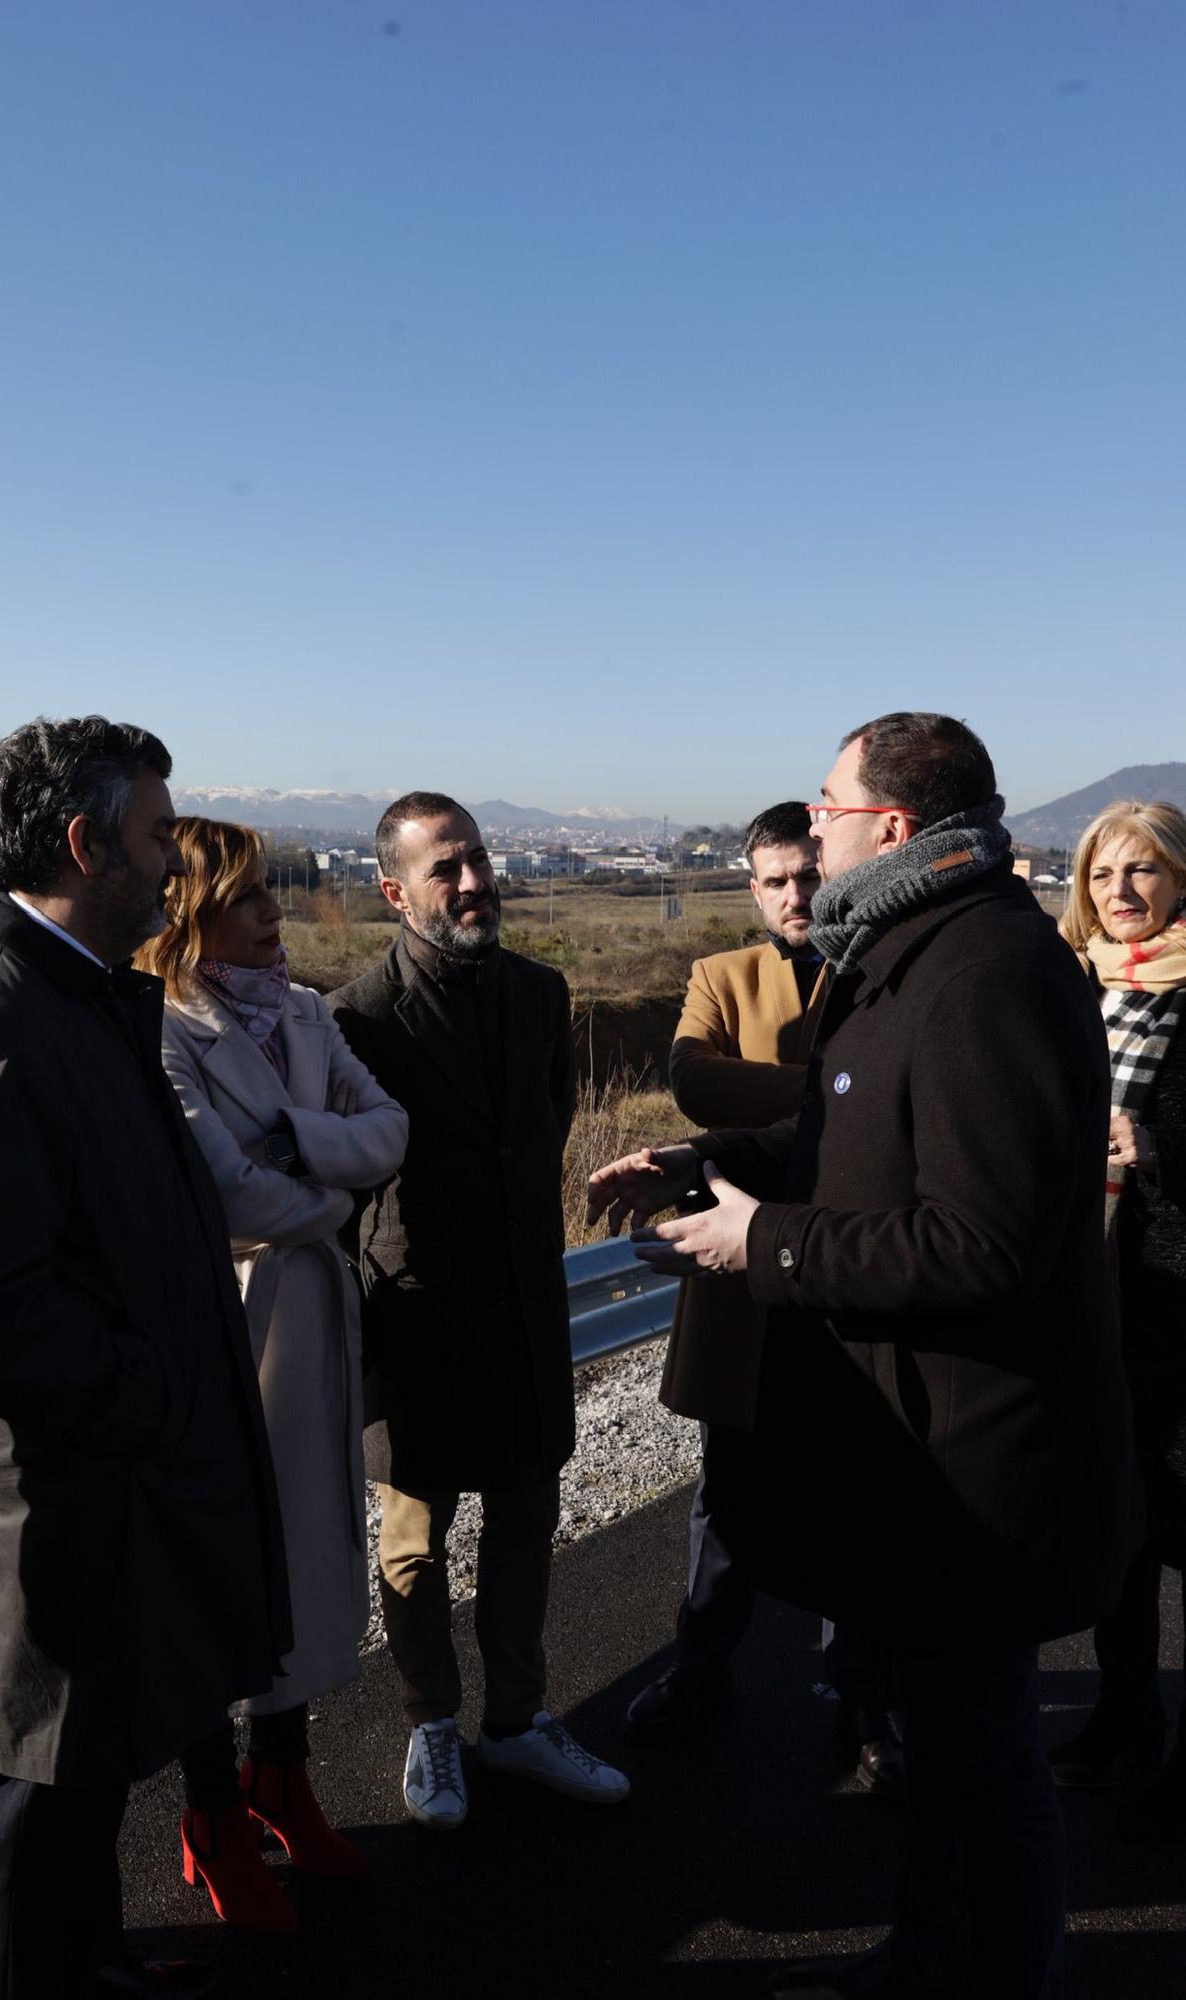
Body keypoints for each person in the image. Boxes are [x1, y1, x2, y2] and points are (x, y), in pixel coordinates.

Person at [588, 713, 1139, 2000]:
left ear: (890, 826)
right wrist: (708, 1168)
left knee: (980, 1764)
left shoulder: (982, 969)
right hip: (922, 1469)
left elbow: (982, 1242)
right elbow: (862, 1154)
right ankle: (930, 1955)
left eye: (828, 805)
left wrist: (759, 1244)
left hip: (974, 1476)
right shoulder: (904, 948)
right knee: (945, 1755)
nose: (810, 821)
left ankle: (989, 1972)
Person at [0, 718, 292, 2000]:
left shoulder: (80, 1000)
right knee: (41, 1774)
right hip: (70, 1487)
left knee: (97, 1756)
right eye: (157, 835)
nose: (177, 862)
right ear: (84, 846)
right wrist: (153, 1392)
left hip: (127, 1467)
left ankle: (93, 1961)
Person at [328, 791, 628, 1829]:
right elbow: (341, 1195)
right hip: (414, 1322)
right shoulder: (355, 1017)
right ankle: (430, 1723)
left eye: (478, 858)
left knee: (525, 1519)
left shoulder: (543, 994)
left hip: (523, 1306)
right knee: (412, 1538)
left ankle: (515, 1718)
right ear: (393, 889)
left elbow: (546, 1126)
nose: (471, 881)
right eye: (445, 867)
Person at [135, 816, 408, 1929]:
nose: (276, 915)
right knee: (224, 1567)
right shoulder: (158, 1030)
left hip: (310, 1314)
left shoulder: (302, 1011)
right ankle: (211, 1812)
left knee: (302, 1555)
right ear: (192, 909)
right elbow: (225, 1195)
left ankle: (282, 1778)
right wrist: (331, 1187)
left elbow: (390, 1128)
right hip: (229, 1331)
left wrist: (296, 1142)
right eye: (250, 899)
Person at [627, 801, 902, 1794]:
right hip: (742, 1279)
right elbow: (696, 1083)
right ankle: (699, 1666)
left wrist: (813, 1093)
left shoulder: (880, 971)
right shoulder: (720, 976)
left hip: (850, 1274)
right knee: (727, 1492)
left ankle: (862, 1695)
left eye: (807, 873)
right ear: (751, 888)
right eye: (775, 879)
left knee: (859, 1492)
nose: (796, 894)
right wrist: (844, 1093)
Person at [1046, 799, 1186, 1837]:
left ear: (1180, 879)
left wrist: (1160, 1151)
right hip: (1089, 1300)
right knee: (1117, 1532)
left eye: (1142, 872)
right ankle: (1125, 1712)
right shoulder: (1069, 993)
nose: (1121, 893)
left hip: (1177, 1308)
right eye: (1102, 874)